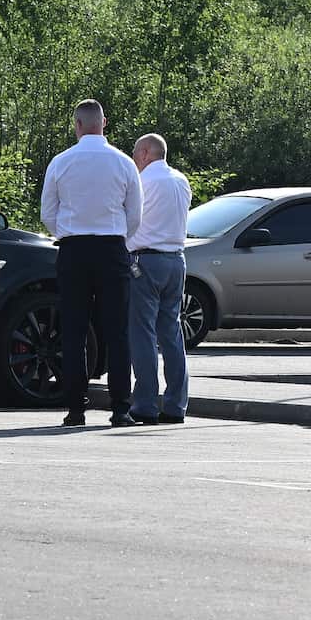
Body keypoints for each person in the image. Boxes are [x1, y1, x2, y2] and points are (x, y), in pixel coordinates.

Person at [40, 99, 143, 427]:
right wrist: (117, 237)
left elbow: (47, 212)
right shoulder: (124, 163)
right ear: (104, 123)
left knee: (73, 331)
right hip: (112, 248)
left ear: (77, 125)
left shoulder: (61, 162)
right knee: (117, 331)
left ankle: (75, 408)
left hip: (73, 250)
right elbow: (135, 214)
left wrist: (68, 233)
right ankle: (121, 408)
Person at [127, 133, 191, 425]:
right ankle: (176, 404)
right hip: (176, 259)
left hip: (146, 261)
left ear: (145, 153)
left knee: (143, 334)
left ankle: (145, 404)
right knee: (172, 334)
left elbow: (130, 222)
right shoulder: (181, 181)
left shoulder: (143, 182)